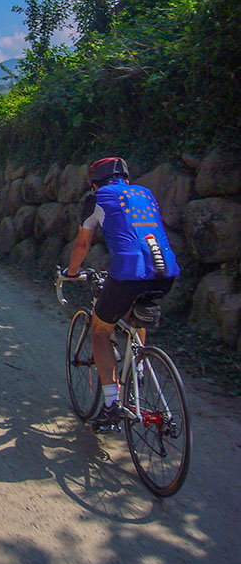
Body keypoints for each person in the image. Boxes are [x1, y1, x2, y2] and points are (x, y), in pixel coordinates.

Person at [64, 156, 180, 432]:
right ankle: (136, 371)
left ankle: (112, 405)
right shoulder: (145, 193)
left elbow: (82, 243)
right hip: (166, 273)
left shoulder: (97, 199)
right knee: (135, 317)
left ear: (95, 182)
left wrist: (71, 272)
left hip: (129, 273)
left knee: (101, 332)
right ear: (125, 178)